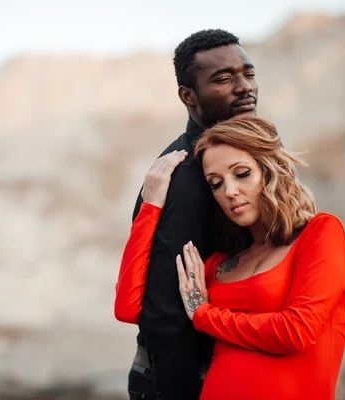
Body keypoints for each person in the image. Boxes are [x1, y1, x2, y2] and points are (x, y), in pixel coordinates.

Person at [115, 115, 345, 400]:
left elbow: (296, 331)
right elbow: (129, 307)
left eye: (241, 174)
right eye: (215, 183)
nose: (229, 192)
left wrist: (204, 314)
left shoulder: (321, 233)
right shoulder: (217, 265)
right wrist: (151, 206)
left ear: (269, 170)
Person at [120, 29, 259, 399]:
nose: (244, 86)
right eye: (224, 79)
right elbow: (165, 310)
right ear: (188, 96)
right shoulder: (183, 178)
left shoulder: (237, 161)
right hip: (182, 381)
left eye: (248, 73)